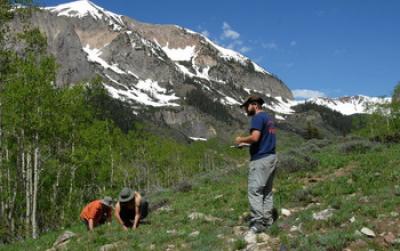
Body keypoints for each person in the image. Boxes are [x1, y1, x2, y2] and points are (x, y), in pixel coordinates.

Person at [235, 95, 278, 233]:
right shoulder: (268, 118)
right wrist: (246, 145)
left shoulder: (258, 118)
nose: (246, 110)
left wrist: (240, 139)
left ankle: (258, 222)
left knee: (255, 190)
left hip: (260, 161)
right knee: (267, 191)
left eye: (247, 106)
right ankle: (267, 220)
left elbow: (255, 137)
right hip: (271, 157)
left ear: (254, 105)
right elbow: (263, 141)